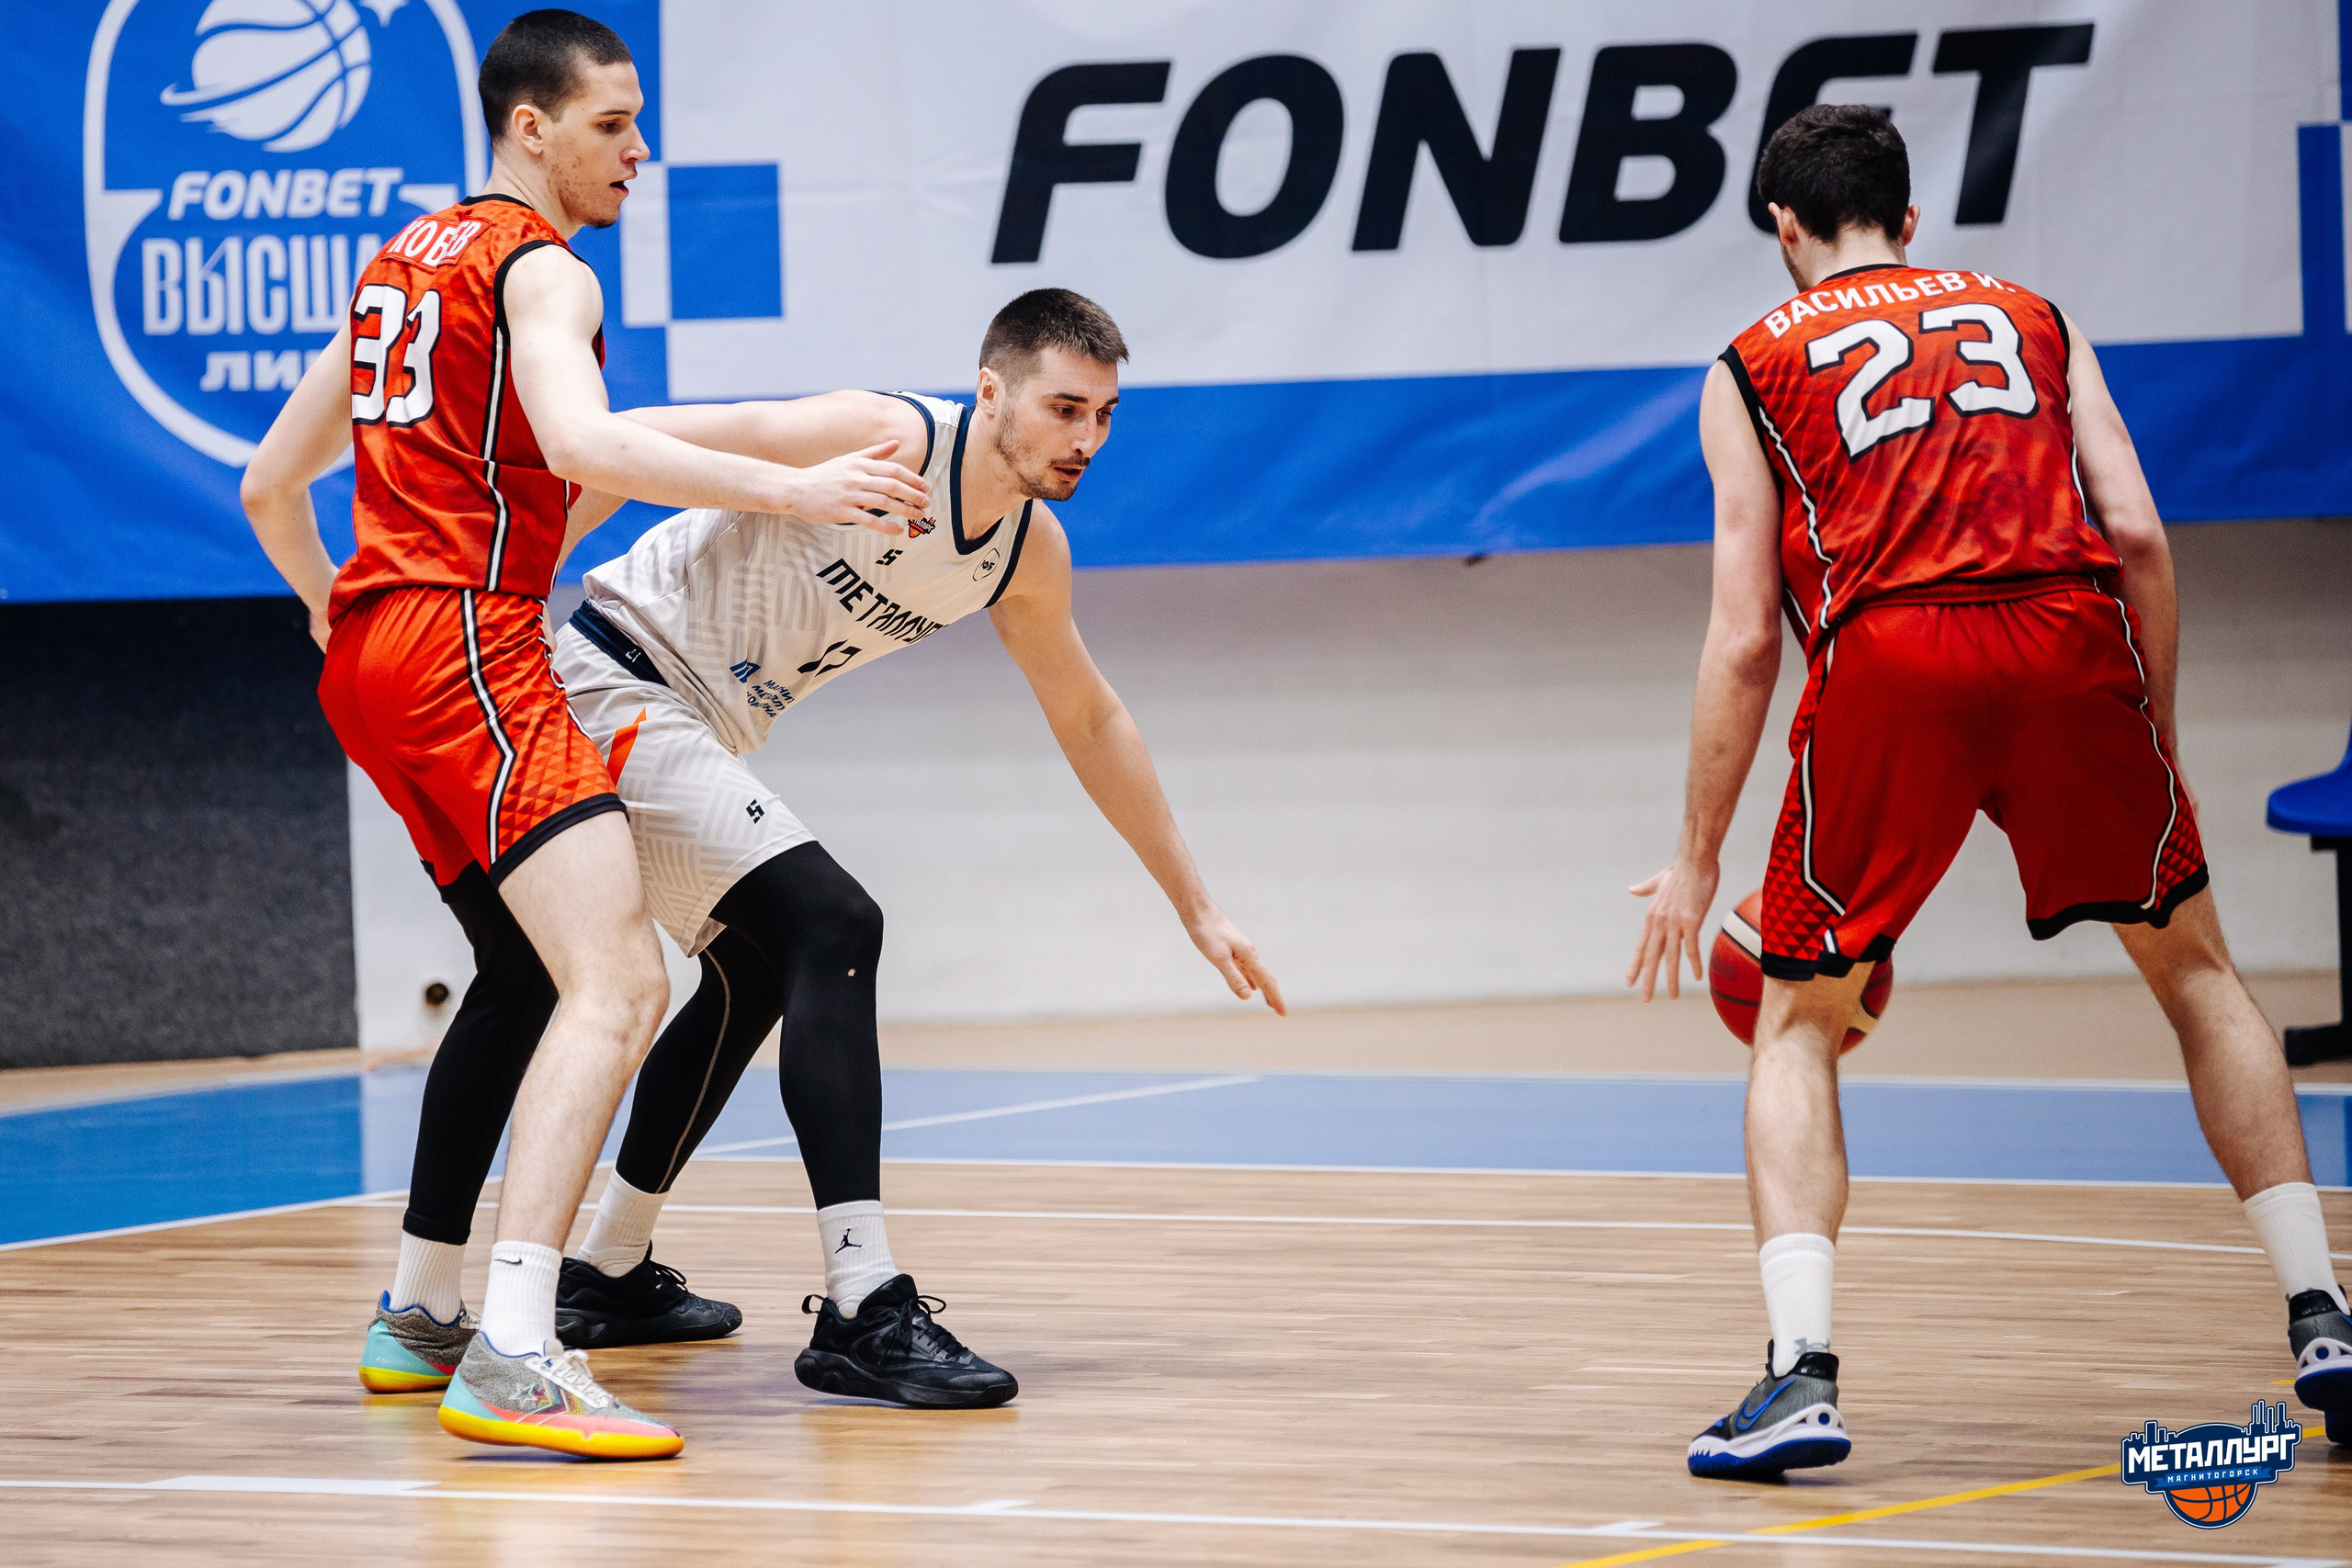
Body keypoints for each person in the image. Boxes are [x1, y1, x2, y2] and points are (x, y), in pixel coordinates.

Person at [389, 286, 1283, 1409]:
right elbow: (637, 438)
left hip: (697, 721)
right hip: (611, 678)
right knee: (833, 920)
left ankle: (609, 1272)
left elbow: (1090, 716)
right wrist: (511, 592)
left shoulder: (1022, 551)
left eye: (1105, 416)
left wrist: (1196, 905)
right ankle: (863, 1298)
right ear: (992, 389)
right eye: (1065, 408)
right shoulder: (887, 433)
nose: (1087, 439)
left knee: (761, 963)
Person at [1626, 104, 2352, 1479]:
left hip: (1895, 654)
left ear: (1783, 226)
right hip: (2073, 640)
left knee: (1794, 1016)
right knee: (2198, 970)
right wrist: (2157, 730)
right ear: (1908, 216)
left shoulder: (1748, 364)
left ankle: (1800, 1376)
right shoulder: (2030, 313)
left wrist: (1696, 852)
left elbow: (1742, 633)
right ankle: (2325, 1316)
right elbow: (2136, 530)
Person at [240, 9, 928, 1459]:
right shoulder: (539, 264)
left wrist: (328, 611)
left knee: (517, 965)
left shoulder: (392, 269)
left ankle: (421, 1308)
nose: (640, 149)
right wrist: (800, 493)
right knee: (616, 979)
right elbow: (585, 445)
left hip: (375, 655)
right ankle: (515, 1346)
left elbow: (266, 483)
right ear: (529, 126)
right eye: (613, 123)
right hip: (462, 644)